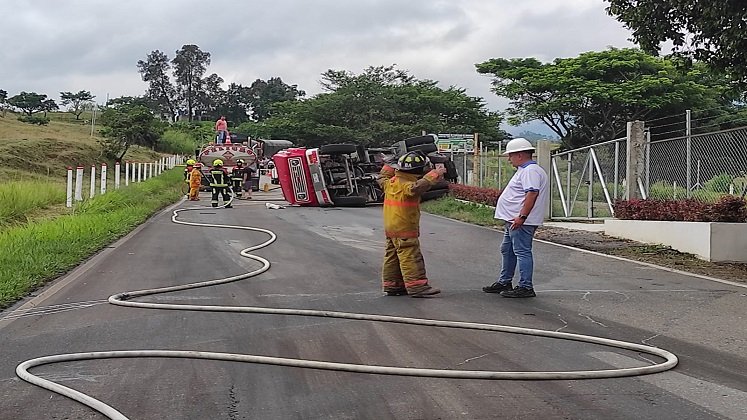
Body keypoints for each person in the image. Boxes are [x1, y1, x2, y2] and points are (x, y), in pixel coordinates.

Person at [482, 138, 548, 298]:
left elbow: (531, 193)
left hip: (521, 221)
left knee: (521, 251)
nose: (509, 159)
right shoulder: (525, 170)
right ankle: (505, 281)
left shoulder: (530, 171)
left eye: (510, 155)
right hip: (514, 220)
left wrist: (522, 216)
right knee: (508, 249)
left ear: (519, 155)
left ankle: (525, 286)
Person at [378, 151, 447, 298]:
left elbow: (382, 177)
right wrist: (435, 174)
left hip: (391, 227)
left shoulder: (391, 182)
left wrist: (390, 164)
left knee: (392, 256)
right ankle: (417, 286)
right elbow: (416, 187)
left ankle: (393, 285)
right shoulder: (407, 185)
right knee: (410, 256)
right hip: (404, 228)